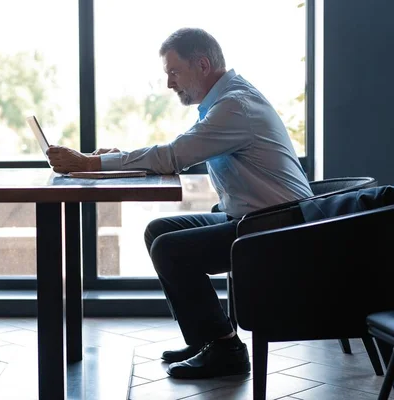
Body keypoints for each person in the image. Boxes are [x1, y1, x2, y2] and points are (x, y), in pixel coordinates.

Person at [47, 27, 314, 379]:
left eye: (174, 72)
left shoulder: (235, 106)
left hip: (277, 227)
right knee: (160, 230)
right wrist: (117, 158)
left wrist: (91, 164)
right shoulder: (225, 101)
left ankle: (226, 349)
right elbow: (177, 149)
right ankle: (207, 337)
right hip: (254, 218)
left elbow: (173, 155)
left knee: (172, 250)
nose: (170, 84)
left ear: (202, 65)